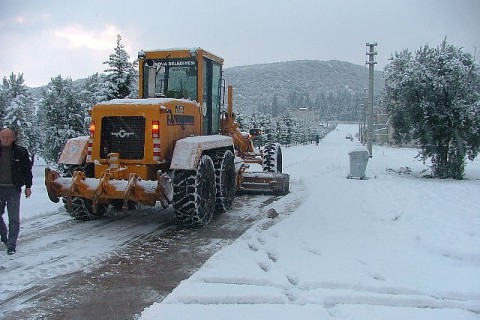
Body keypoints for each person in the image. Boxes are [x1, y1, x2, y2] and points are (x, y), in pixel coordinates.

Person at [0, 128, 33, 255]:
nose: (5, 139)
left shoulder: (20, 152)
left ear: (13, 138)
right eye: (3, 137)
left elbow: (27, 171)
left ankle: (11, 245)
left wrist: (28, 187)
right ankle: (4, 236)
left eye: (8, 137)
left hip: (13, 189)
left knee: (13, 218)